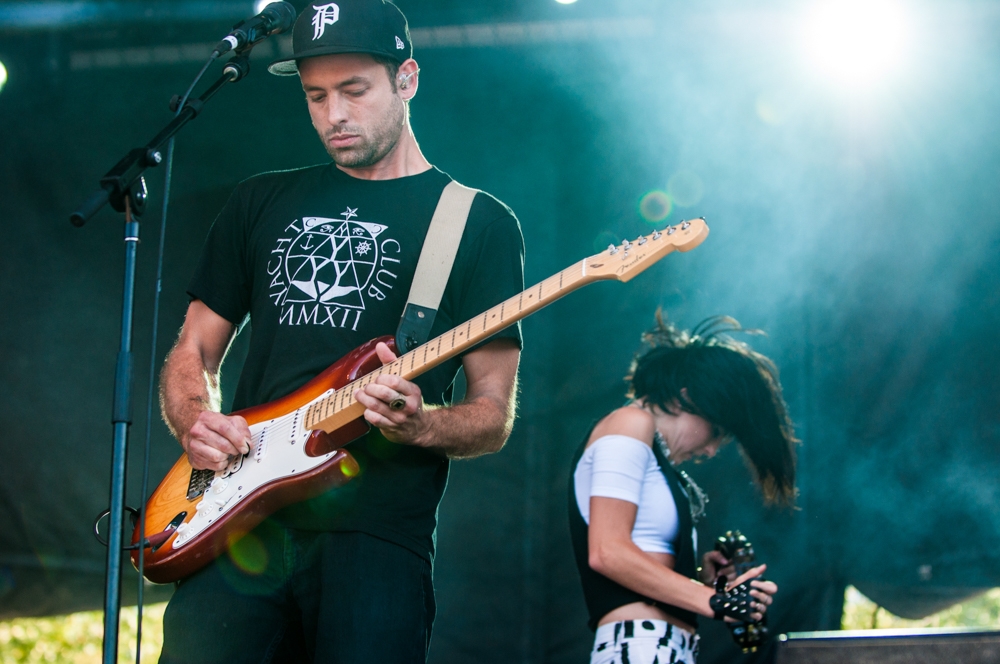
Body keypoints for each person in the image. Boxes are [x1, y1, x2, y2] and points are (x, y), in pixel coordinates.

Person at [156, 2, 524, 662]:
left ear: (406, 79)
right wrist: (194, 420)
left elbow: (492, 415)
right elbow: (193, 350)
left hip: (375, 537)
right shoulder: (259, 201)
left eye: (354, 91)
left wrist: (422, 424)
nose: (335, 116)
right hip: (239, 522)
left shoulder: (477, 223)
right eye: (316, 96)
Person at [569, 313, 798, 664]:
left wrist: (705, 579)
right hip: (640, 647)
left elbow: (640, 561)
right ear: (685, 399)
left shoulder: (653, 454)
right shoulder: (630, 423)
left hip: (663, 647)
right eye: (717, 431)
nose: (710, 450)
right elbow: (607, 552)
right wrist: (714, 601)